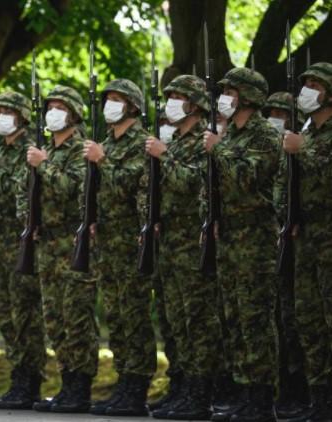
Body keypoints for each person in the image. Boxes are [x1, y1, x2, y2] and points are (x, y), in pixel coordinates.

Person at [203, 67, 280, 422]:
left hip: (255, 238)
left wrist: (219, 151)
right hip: (229, 236)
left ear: (248, 96)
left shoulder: (263, 134)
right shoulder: (230, 134)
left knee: (254, 318)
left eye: (231, 91)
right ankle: (242, 390)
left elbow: (249, 178)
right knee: (231, 316)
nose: (224, 98)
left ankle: (261, 397)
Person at [144, 75, 222, 419]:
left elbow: (196, 183)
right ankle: (183, 388)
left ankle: (201, 393)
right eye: (169, 95)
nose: (171, 102)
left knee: (198, 321)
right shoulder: (174, 139)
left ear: (194, 103)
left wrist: (165, 158)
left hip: (195, 242)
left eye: (178, 96)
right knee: (176, 322)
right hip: (171, 244)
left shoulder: (205, 140)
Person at [84, 79, 156, 417]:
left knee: (134, 314)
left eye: (116, 99)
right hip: (108, 242)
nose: (109, 104)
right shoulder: (106, 143)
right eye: (107, 99)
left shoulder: (141, 142)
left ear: (132, 106)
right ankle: (124, 379)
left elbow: (132, 184)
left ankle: (137, 384)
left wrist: (103, 162)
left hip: (131, 241)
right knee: (115, 315)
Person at [26, 86, 97, 414]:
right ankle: (67, 381)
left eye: (59, 106)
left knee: (76, 317)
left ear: (73, 113)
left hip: (72, 241)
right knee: (54, 318)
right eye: (49, 106)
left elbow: (74, 190)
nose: (52, 111)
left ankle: (80, 386)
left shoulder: (79, 150)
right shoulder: (48, 150)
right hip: (48, 244)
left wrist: (44, 167)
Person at [0, 91, 47, 410]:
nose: (2, 116)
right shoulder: (1, 151)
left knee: (25, 315)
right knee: (7, 315)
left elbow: (21, 193)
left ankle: (29, 379)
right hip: (2, 244)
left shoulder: (27, 150)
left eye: (8, 111)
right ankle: (18, 377)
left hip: (21, 242)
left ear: (22, 116)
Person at [276, 62, 332, 422]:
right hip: (306, 240)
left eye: (315, 84)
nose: (307, 89)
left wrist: (303, 152)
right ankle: (320, 399)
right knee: (308, 321)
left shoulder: (311, 141)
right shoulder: (306, 132)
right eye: (305, 83)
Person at [262, 92, 311, 419]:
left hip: (303, 245)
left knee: (298, 320)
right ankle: (283, 388)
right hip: (273, 245)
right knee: (278, 319)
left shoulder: (302, 150)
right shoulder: (270, 153)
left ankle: (302, 389)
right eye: (272, 112)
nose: (276, 118)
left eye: (283, 113)